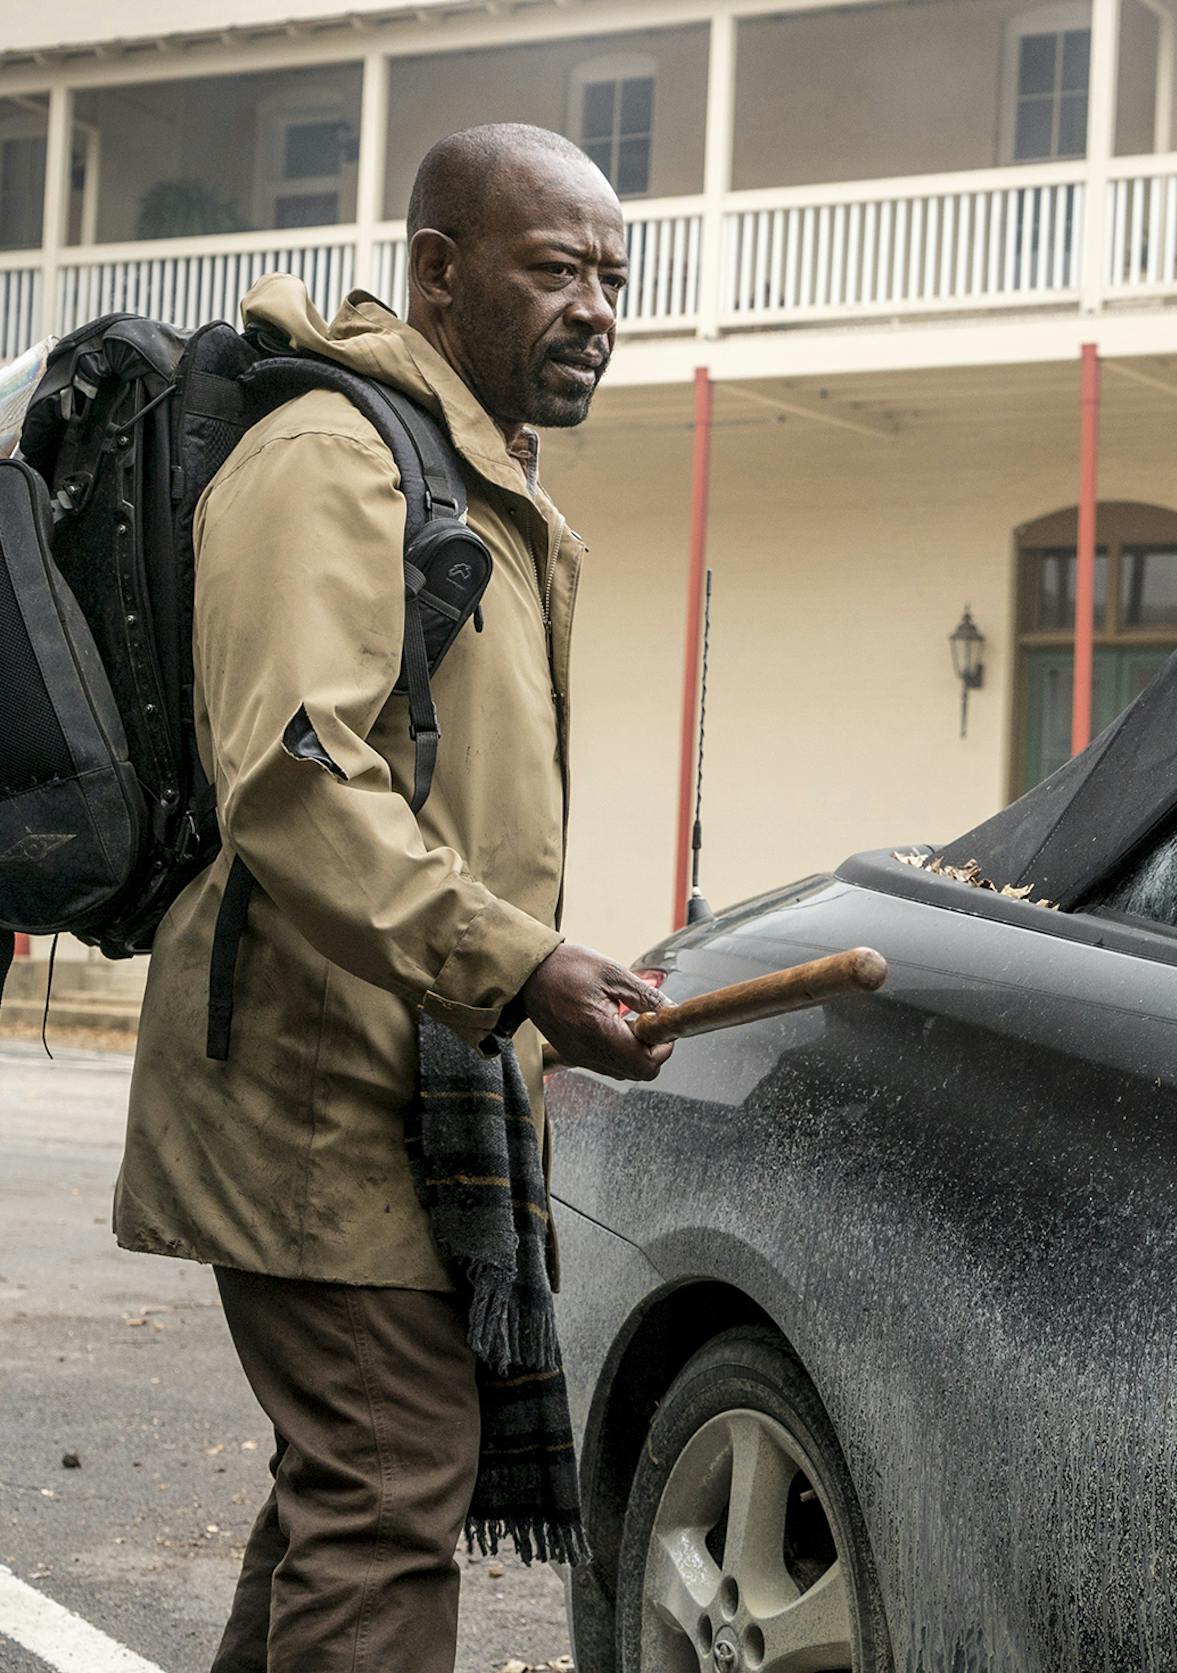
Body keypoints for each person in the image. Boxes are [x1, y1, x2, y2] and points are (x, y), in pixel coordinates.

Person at [112, 124, 672, 1672]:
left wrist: (529, 982)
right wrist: (520, 964)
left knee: (344, 1496)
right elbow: (292, 779)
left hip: (413, 1078)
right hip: (314, 1094)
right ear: (438, 270)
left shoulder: (477, 473)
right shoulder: (329, 458)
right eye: (555, 269)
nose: (597, 310)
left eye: (615, 276)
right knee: (382, 1491)